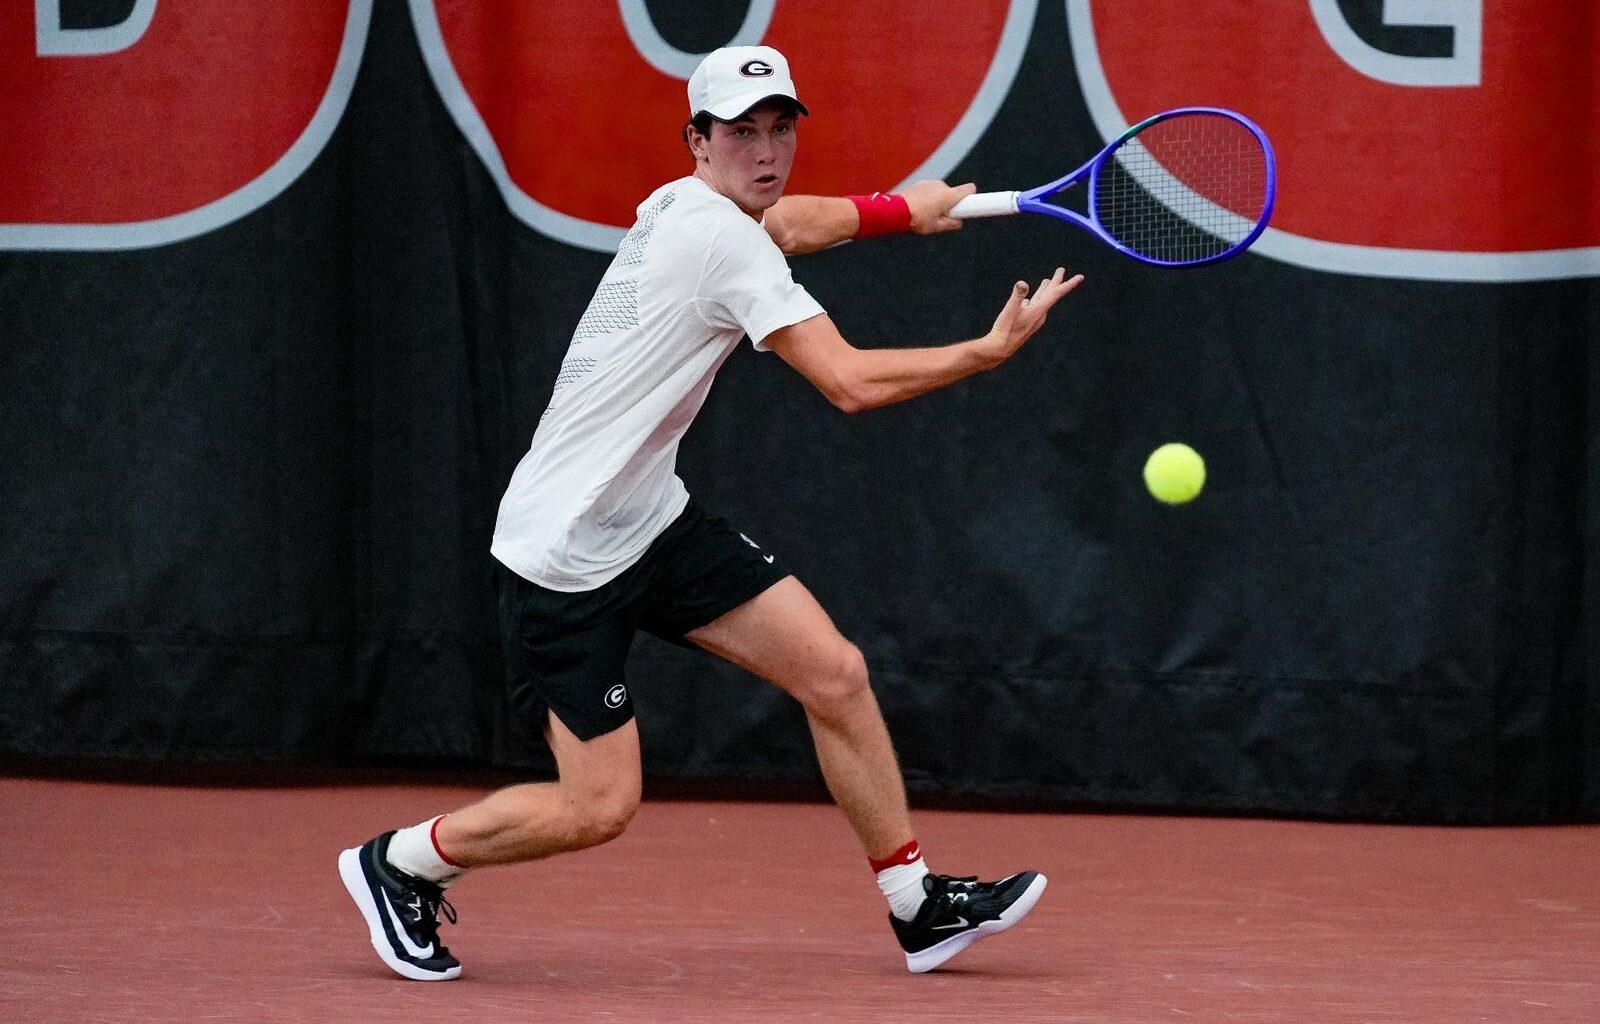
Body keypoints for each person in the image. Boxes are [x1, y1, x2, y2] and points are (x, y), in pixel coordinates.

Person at [339, 44, 1083, 982]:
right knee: (597, 810)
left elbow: (796, 221)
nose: (766, 151)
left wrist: (904, 211)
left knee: (835, 674)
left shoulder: (692, 203)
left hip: (651, 520)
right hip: (563, 557)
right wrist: (980, 354)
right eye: (741, 134)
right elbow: (848, 382)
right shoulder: (717, 239)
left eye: (780, 130)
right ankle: (399, 862)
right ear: (698, 141)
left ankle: (917, 907)